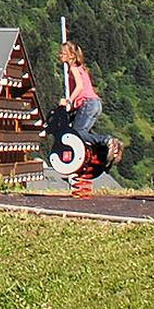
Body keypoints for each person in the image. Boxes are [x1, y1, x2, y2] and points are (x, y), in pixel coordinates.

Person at [56, 42, 104, 197]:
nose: (60, 54)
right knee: (82, 136)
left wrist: (69, 100)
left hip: (88, 104)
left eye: (63, 52)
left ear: (71, 55)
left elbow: (79, 87)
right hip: (95, 103)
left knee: (76, 133)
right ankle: (95, 152)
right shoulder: (82, 68)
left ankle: (105, 141)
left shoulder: (74, 69)